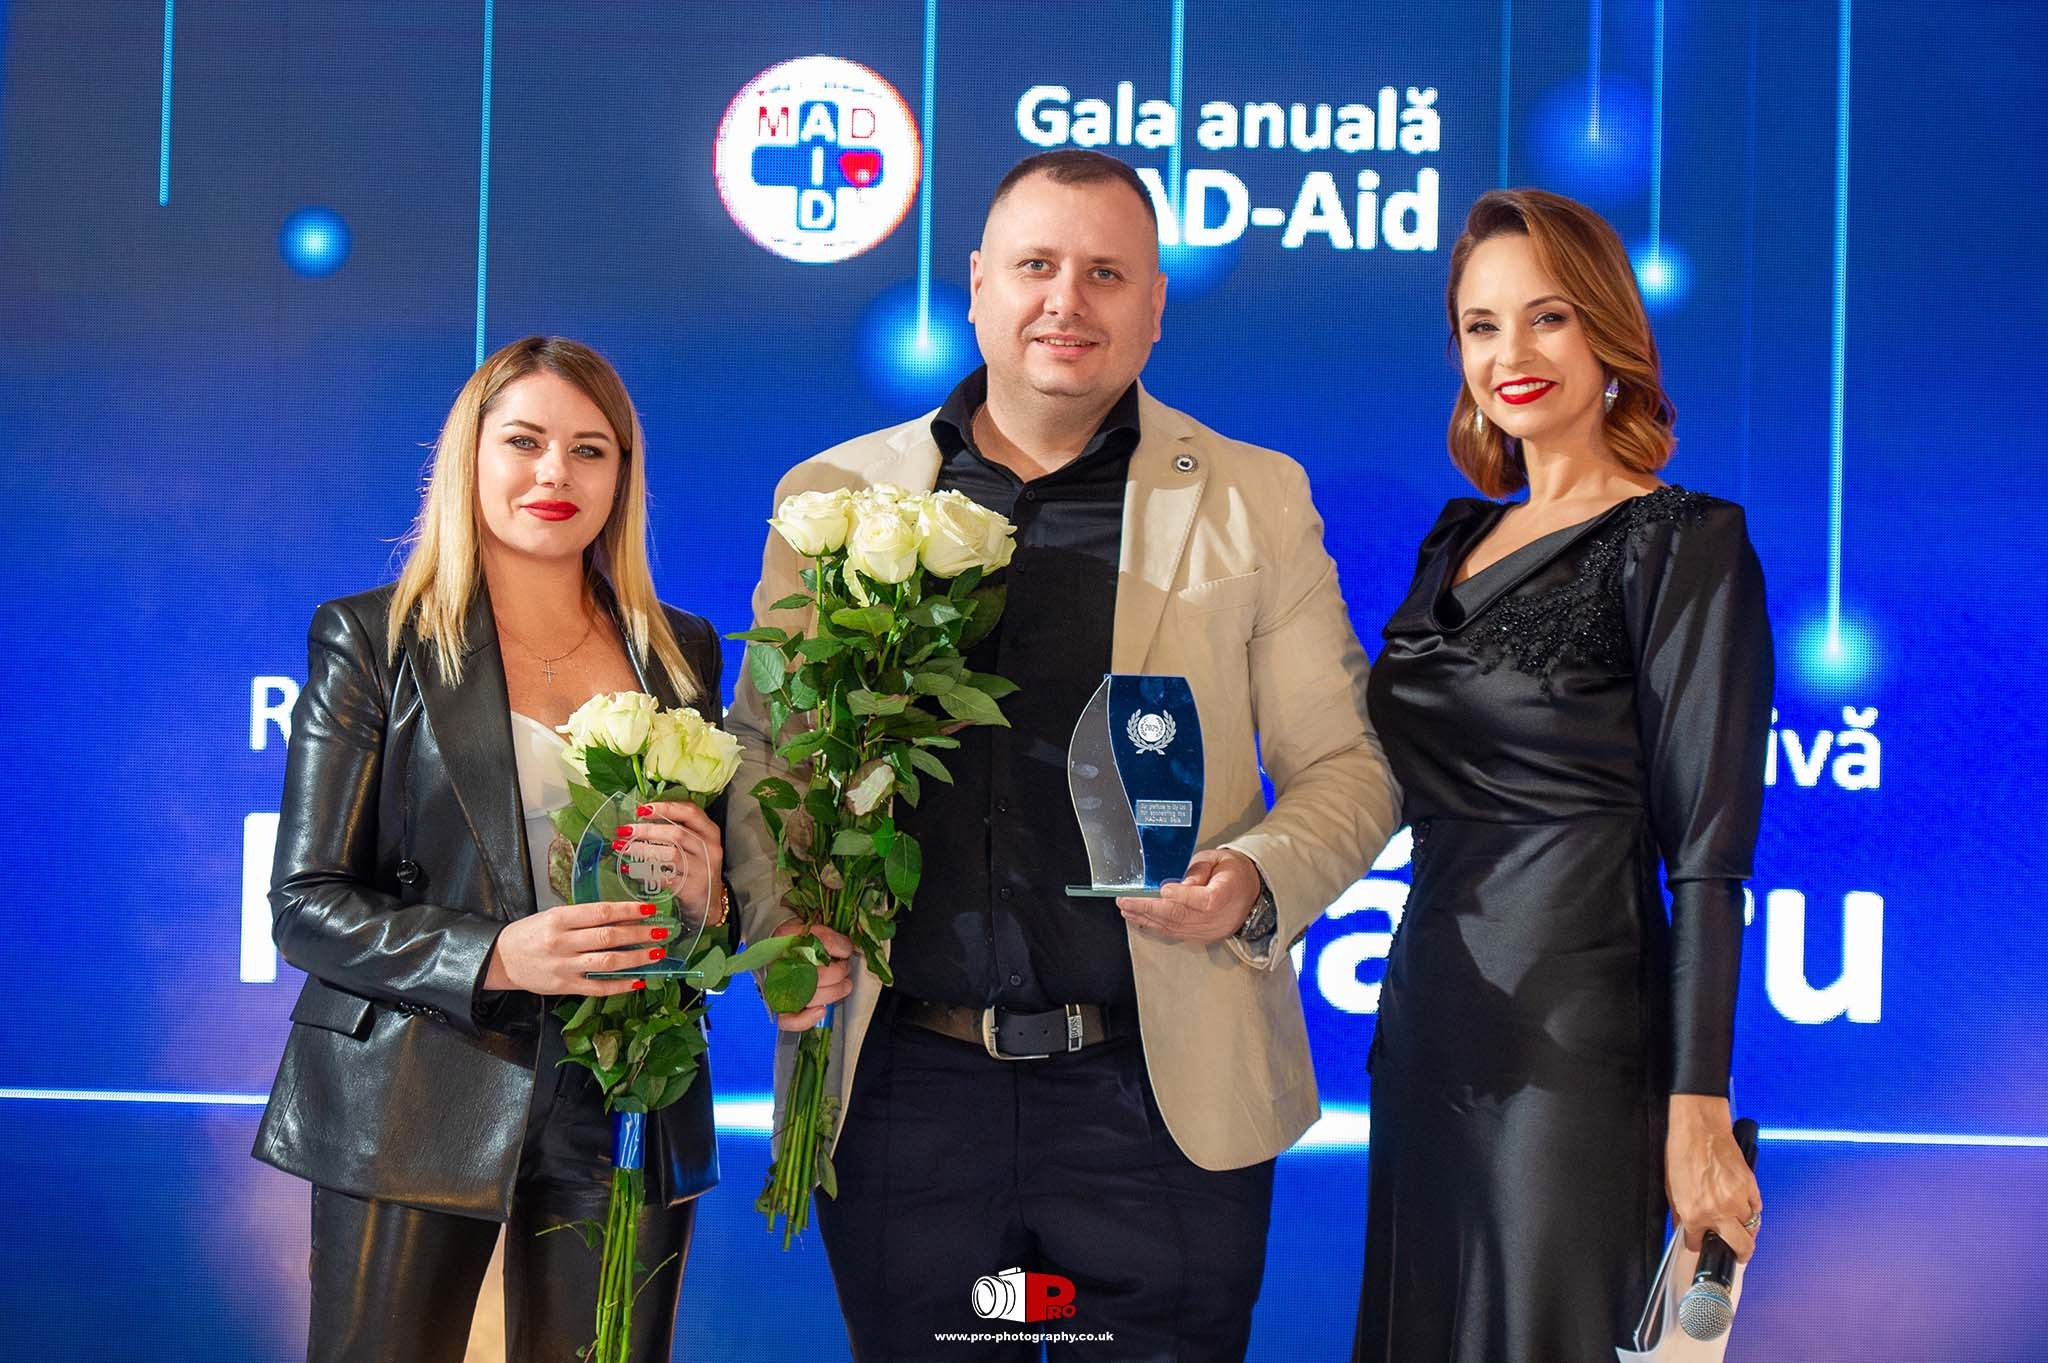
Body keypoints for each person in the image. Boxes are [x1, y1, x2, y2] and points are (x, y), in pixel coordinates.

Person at [723, 149, 1399, 1361]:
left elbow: (1346, 762)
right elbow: (768, 750)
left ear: (1151, 309)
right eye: (1034, 265)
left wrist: (1253, 879)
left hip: (1154, 1097)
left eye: (1104, 274)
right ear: (976, 285)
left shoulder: (1252, 496)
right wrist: (785, 919)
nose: (1063, 301)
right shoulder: (834, 494)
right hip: (903, 1089)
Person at [1352, 188, 1773, 1361]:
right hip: (1428, 1025)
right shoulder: (1451, 540)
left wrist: (1695, 1112)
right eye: (1480, 327)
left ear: (1606, 333)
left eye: (1545, 319)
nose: (1511, 356)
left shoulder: (1680, 541)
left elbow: (1706, 857)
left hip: (1575, 1056)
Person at [252, 336, 730, 1363]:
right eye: (524, 441)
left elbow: (695, 904)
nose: (555, 472)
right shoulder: (374, 637)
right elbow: (303, 900)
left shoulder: (678, 648)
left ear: (623, 477)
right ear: (470, 456)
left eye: (589, 449)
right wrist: (499, 955)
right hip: (420, 1082)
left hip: (625, 1090)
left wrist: (707, 895)